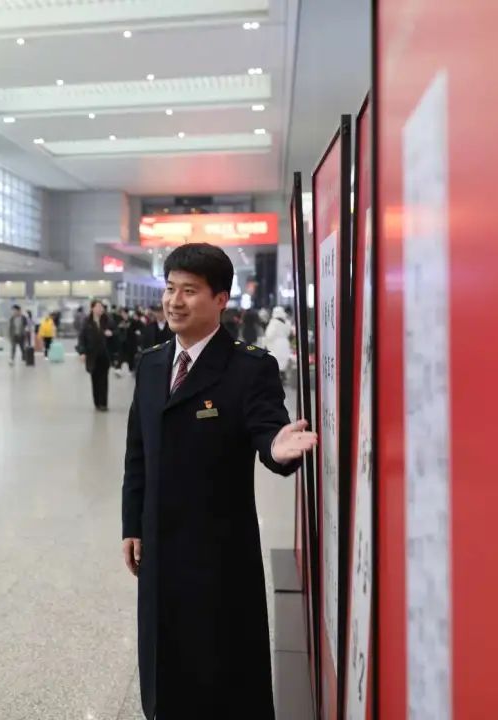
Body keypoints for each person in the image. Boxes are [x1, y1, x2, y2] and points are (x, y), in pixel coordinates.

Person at [121, 243, 318, 719]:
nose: (174, 301)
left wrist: (276, 448)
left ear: (221, 299)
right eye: (170, 289)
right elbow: (137, 453)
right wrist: (132, 524)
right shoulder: (152, 364)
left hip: (217, 553)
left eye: (189, 291)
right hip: (158, 546)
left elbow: (268, 432)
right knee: (162, 660)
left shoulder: (248, 367)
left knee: (220, 668)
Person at [77, 300, 115, 411]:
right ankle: (97, 402)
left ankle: (103, 403)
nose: (100, 309)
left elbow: (116, 332)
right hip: (92, 355)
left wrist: (111, 333)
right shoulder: (87, 322)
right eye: (98, 307)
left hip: (105, 354)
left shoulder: (108, 320)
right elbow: (82, 338)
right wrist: (82, 352)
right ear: (92, 308)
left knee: (104, 379)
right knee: (95, 379)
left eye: (101, 307)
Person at [264, 306, 294, 382]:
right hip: (285, 343)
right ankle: (283, 376)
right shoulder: (287, 322)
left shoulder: (273, 322)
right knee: (283, 361)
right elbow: (289, 333)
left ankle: (277, 378)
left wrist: (265, 343)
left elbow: (269, 335)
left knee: (276, 360)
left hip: (276, 344)